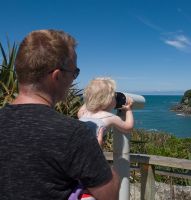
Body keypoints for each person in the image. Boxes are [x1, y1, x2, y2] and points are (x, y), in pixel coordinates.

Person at [0, 29, 120, 200]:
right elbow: (110, 195)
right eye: (74, 73)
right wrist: (98, 158)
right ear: (56, 76)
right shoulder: (73, 134)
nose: (73, 80)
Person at [78, 77, 134, 146]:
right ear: (109, 100)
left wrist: (91, 98)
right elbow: (128, 127)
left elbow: (81, 110)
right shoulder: (110, 117)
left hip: (75, 146)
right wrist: (128, 110)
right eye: (114, 96)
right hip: (91, 151)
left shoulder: (84, 113)